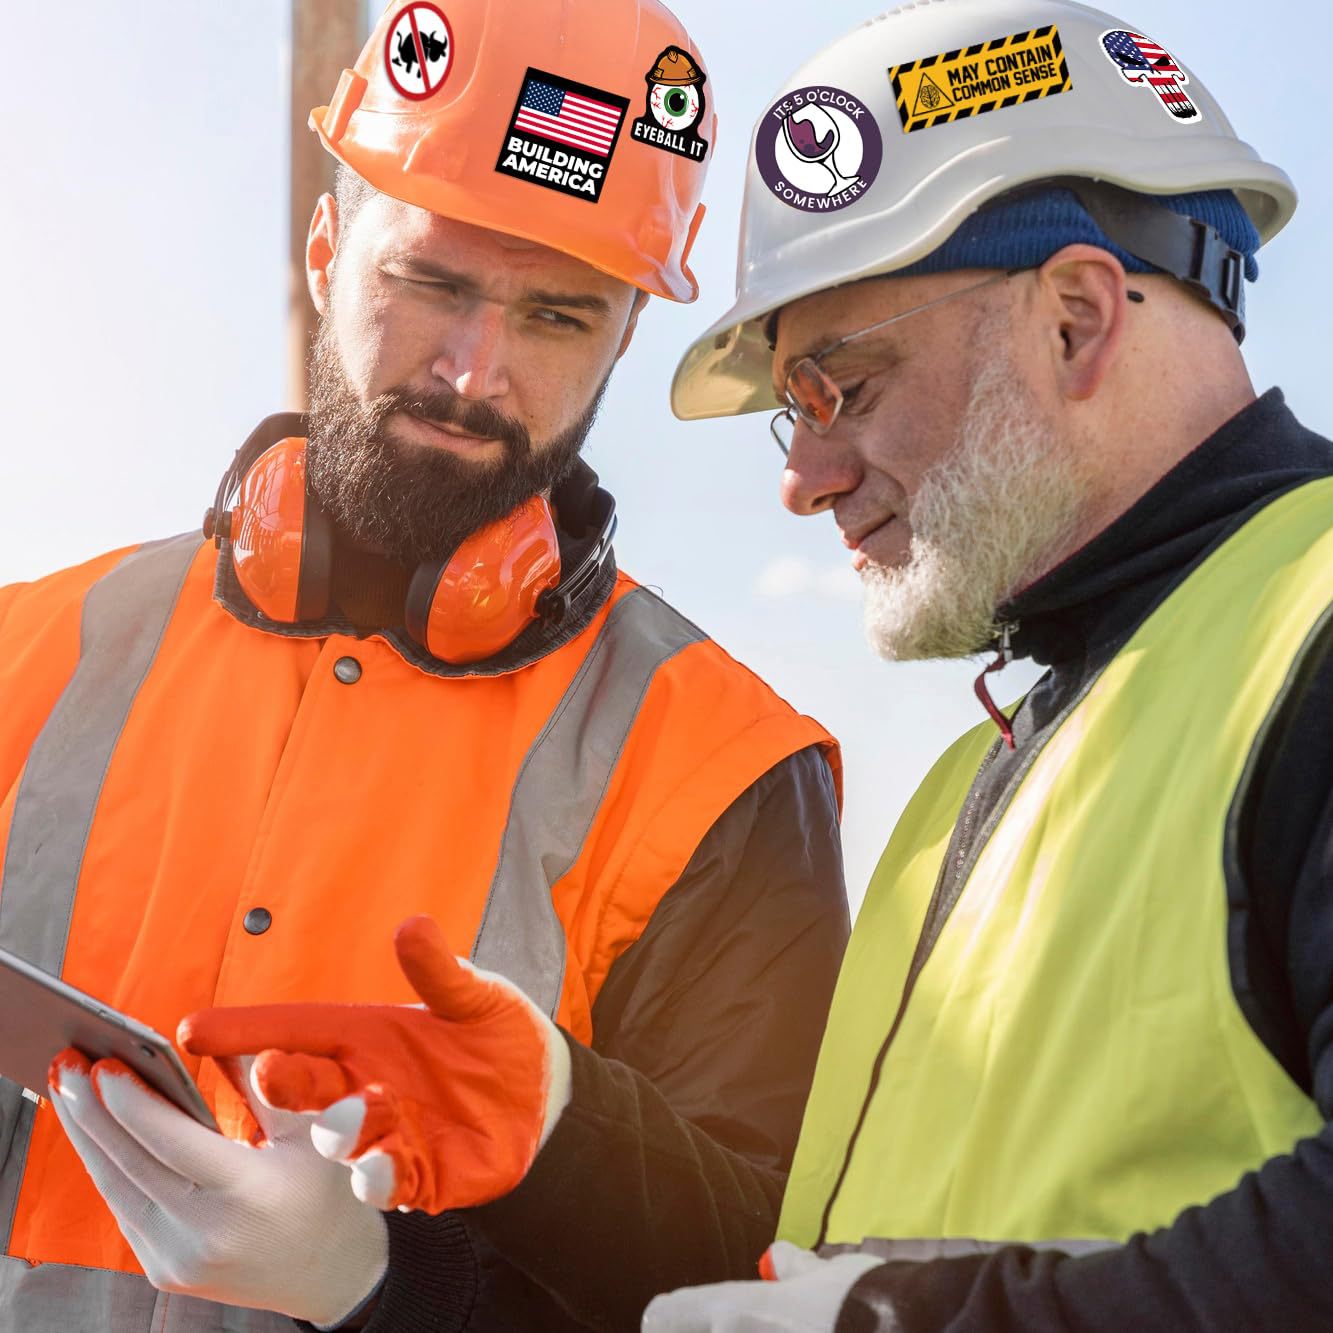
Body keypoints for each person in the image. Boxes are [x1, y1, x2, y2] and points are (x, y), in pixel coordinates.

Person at [0, 2, 850, 1329]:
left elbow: (748, 1281)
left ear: (625, 337)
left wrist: (383, 1292)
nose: (473, 370)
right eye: (434, 283)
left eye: (558, 316)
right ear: (328, 247)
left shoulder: (726, 769)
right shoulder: (29, 652)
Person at [644, 0, 1333, 1328]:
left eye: (840, 384)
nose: (799, 479)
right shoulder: (973, 779)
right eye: (787, 412)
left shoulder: (1309, 624)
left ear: (1076, 319)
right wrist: (432, 1232)